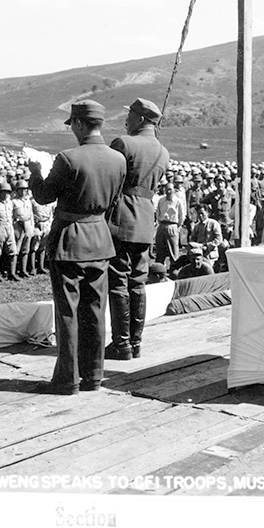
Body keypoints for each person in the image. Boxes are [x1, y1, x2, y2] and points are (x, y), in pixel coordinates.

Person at [29, 100, 126, 394]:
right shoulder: (118, 159)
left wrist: (35, 171)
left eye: (72, 124)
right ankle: (93, 376)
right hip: (100, 240)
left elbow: (44, 196)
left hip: (69, 242)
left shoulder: (67, 158)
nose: (72, 130)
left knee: (68, 313)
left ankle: (67, 380)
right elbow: (114, 200)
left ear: (81, 124)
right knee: (95, 310)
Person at [105, 98, 170, 360]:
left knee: (118, 280)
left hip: (122, 217)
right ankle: (135, 342)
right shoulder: (163, 152)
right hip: (145, 221)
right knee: (138, 281)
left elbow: (109, 179)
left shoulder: (124, 143)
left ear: (141, 119)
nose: (126, 119)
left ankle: (121, 345)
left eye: (130, 114)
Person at [155, 179, 186, 266]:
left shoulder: (178, 201)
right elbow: (158, 213)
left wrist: (177, 227)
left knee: (173, 250)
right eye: (167, 189)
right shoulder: (161, 200)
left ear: (174, 190)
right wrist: (159, 223)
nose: (168, 191)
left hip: (172, 226)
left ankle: (174, 269)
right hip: (162, 225)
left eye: (170, 189)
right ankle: (159, 268)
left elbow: (181, 216)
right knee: (160, 249)